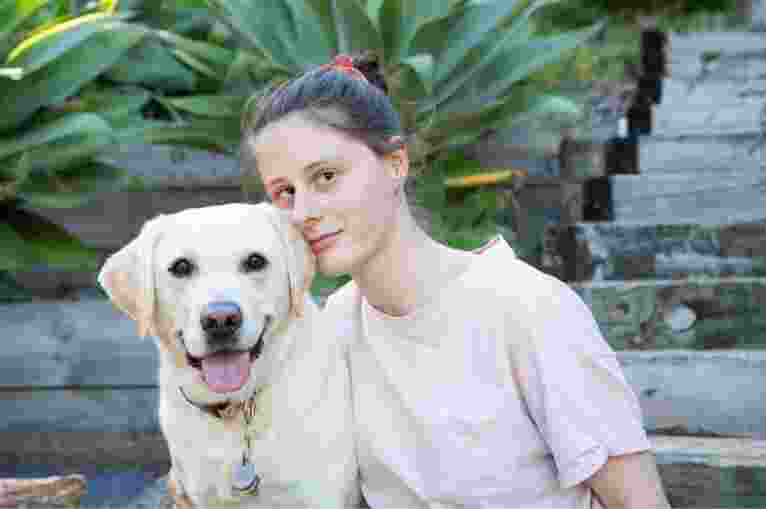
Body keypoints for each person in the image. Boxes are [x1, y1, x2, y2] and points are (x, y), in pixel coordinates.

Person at [240, 52, 670, 509]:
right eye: (284, 192)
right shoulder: (336, 327)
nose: (303, 211)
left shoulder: (526, 309)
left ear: (395, 163)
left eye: (326, 176)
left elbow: (639, 503)